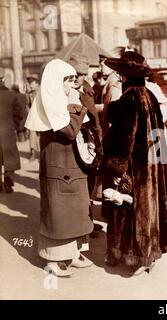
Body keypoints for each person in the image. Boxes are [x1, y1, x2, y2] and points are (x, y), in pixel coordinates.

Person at [101, 51, 167, 275]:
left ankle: (128, 255)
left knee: (125, 210)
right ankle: (149, 253)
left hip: (135, 167)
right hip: (153, 166)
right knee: (150, 209)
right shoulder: (149, 95)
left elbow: (127, 137)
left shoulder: (127, 100)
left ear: (124, 75)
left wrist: (116, 167)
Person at [25, 59, 94, 277]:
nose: (72, 85)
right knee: (59, 215)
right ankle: (53, 261)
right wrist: (76, 105)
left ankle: (72, 255)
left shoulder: (60, 99)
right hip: (59, 168)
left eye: (74, 80)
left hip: (69, 167)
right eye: (69, 80)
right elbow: (69, 131)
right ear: (56, 81)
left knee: (72, 212)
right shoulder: (53, 101)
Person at [66, 53, 104, 237]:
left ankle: (88, 221)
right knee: (79, 187)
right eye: (75, 75)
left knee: (89, 184)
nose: (78, 78)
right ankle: (82, 225)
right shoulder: (66, 92)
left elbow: (93, 118)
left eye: (81, 75)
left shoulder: (86, 89)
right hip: (76, 145)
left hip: (91, 143)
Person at [0, 68, 26, 193]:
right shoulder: (11, 95)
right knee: (9, 158)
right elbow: (19, 113)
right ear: (4, 79)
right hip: (8, 132)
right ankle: (8, 185)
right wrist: (14, 126)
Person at [26, 75, 40, 161]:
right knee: (32, 133)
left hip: (43, 117)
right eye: (29, 83)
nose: (30, 85)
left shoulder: (42, 92)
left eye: (32, 83)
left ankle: (42, 153)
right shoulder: (29, 94)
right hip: (33, 117)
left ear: (37, 83)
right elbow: (27, 105)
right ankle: (33, 152)